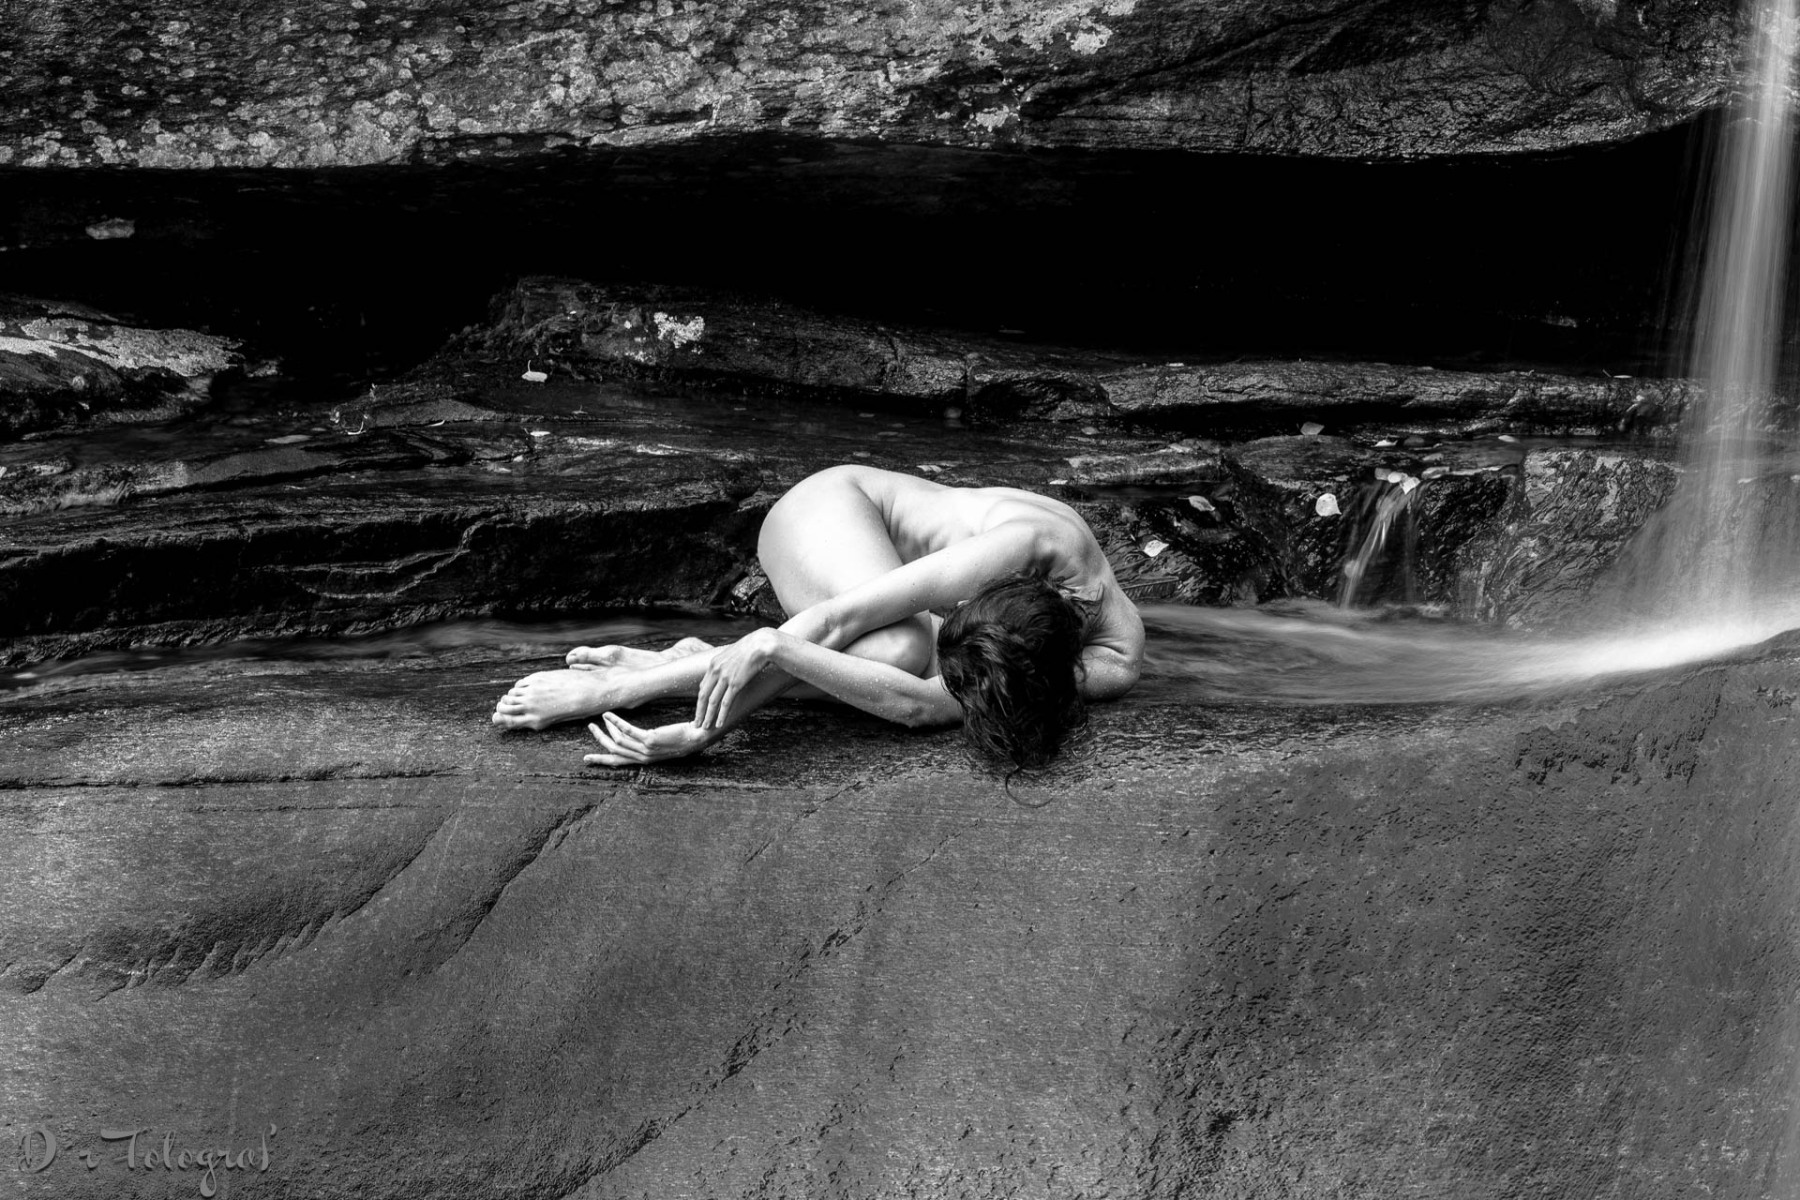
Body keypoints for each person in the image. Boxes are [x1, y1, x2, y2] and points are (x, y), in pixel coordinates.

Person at [491, 464, 1145, 770]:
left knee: (903, 662)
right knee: (896, 647)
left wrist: (720, 704)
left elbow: (924, 705)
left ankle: (696, 660)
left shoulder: (1112, 662)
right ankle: (639, 680)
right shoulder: (1022, 550)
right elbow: (835, 622)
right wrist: (700, 728)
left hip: (889, 582)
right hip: (832, 510)